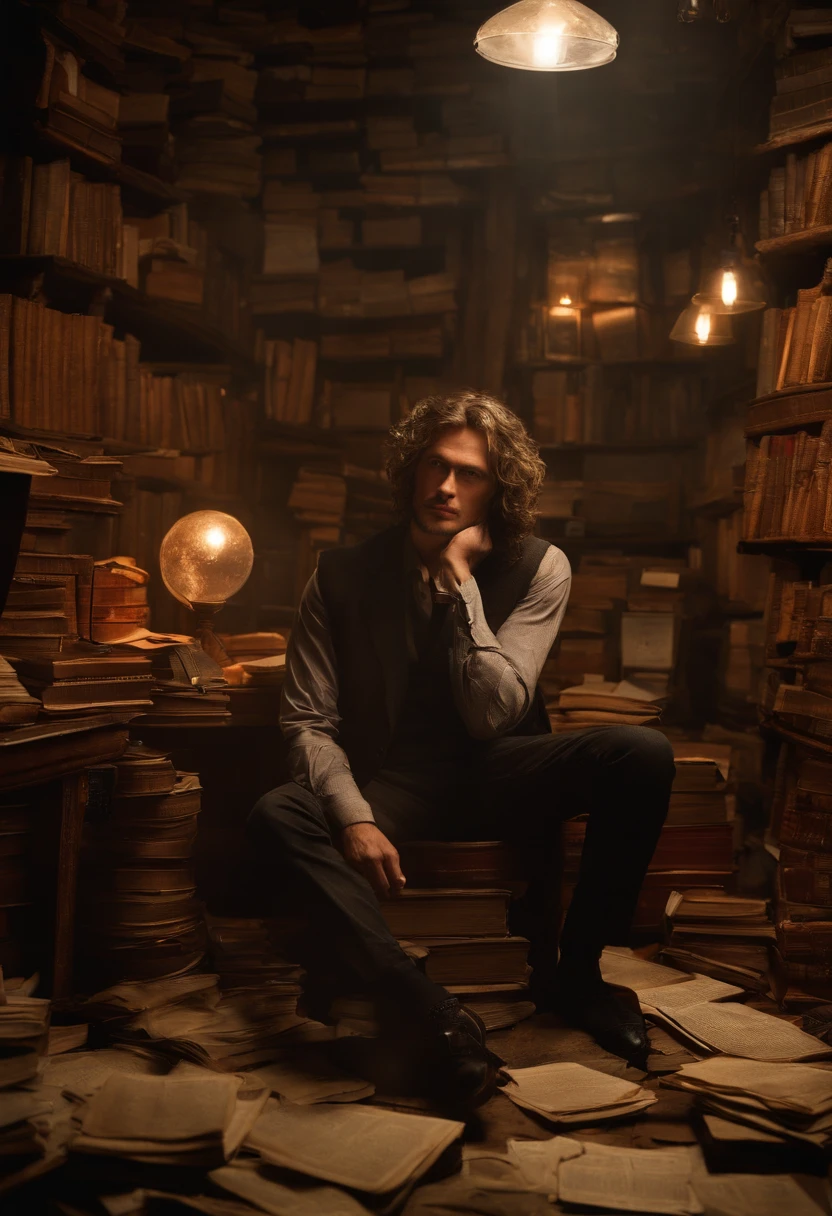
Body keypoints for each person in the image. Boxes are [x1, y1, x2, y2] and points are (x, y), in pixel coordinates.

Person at [248, 390, 675, 1108]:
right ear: (410, 471)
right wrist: (353, 816)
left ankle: (580, 977)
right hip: (392, 779)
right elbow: (308, 723)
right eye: (434, 466)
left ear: (498, 488)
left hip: (495, 768)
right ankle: (426, 1005)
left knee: (643, 754)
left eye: (469, 474)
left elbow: (492, 716)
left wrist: (460, 588)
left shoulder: (542, 567)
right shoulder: (341, 575)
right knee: (273, 811)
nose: (446, 487)